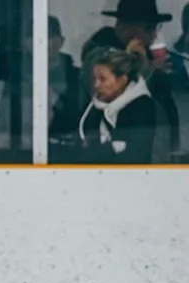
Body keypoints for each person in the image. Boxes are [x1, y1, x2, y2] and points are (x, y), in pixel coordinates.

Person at [82, 0, 179, 153]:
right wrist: (148, 70)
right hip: (118, 144)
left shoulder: (144, 53)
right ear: (125, 28)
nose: (153, 34)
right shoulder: (100, 54)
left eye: (155, 28)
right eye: (148, 28)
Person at [78, 48, 156, 164]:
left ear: (122, 81)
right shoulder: (93, 108)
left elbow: (135, 153)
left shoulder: (142, 107)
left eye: (102, 79)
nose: (96, 85)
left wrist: (100, 150)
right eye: (95, 79)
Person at [47, 16, 83, 162]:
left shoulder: (77, 77)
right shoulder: (19, 78)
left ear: (60, 41)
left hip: (70, 156)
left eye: (49, 36)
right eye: (32, 36)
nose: (43, 43)